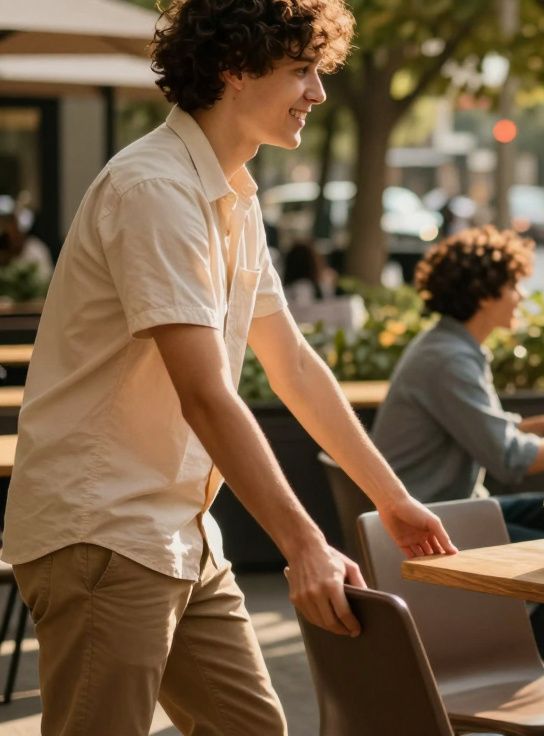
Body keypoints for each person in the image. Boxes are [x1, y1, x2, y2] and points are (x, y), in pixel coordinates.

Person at [0, 2, 458, 733]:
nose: (319, 93)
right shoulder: (155, 191)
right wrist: (305, 543)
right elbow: (207, 395)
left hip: (178, 529)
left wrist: (392, 500)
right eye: (301, 71)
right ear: (234, 71)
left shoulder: (232, 195)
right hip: (105, 532)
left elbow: (294, 367)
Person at [370, 224, 544, 668]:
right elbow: (509, 459)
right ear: (485, 294)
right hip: (440, 523)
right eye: (514, 285)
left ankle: (525, 655)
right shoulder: (449, 358)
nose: (521, 297)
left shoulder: (448, 346)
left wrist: (540, 424)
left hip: (456, 508)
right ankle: (531, 668)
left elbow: (475, 429)